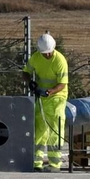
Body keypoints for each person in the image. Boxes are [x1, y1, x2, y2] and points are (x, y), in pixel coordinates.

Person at [22, 33, 68, 171]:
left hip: (57, 98)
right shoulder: (36, 58)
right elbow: (25, 72)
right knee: (39, 128)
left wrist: (50, 92)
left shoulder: (60, 61)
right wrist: (30, 82)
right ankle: (37, 162)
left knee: (55, 128)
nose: (47, 55)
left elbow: (62, 84)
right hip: (41, 98)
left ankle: (55, 164)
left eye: (49, 53)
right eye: (44, 54)